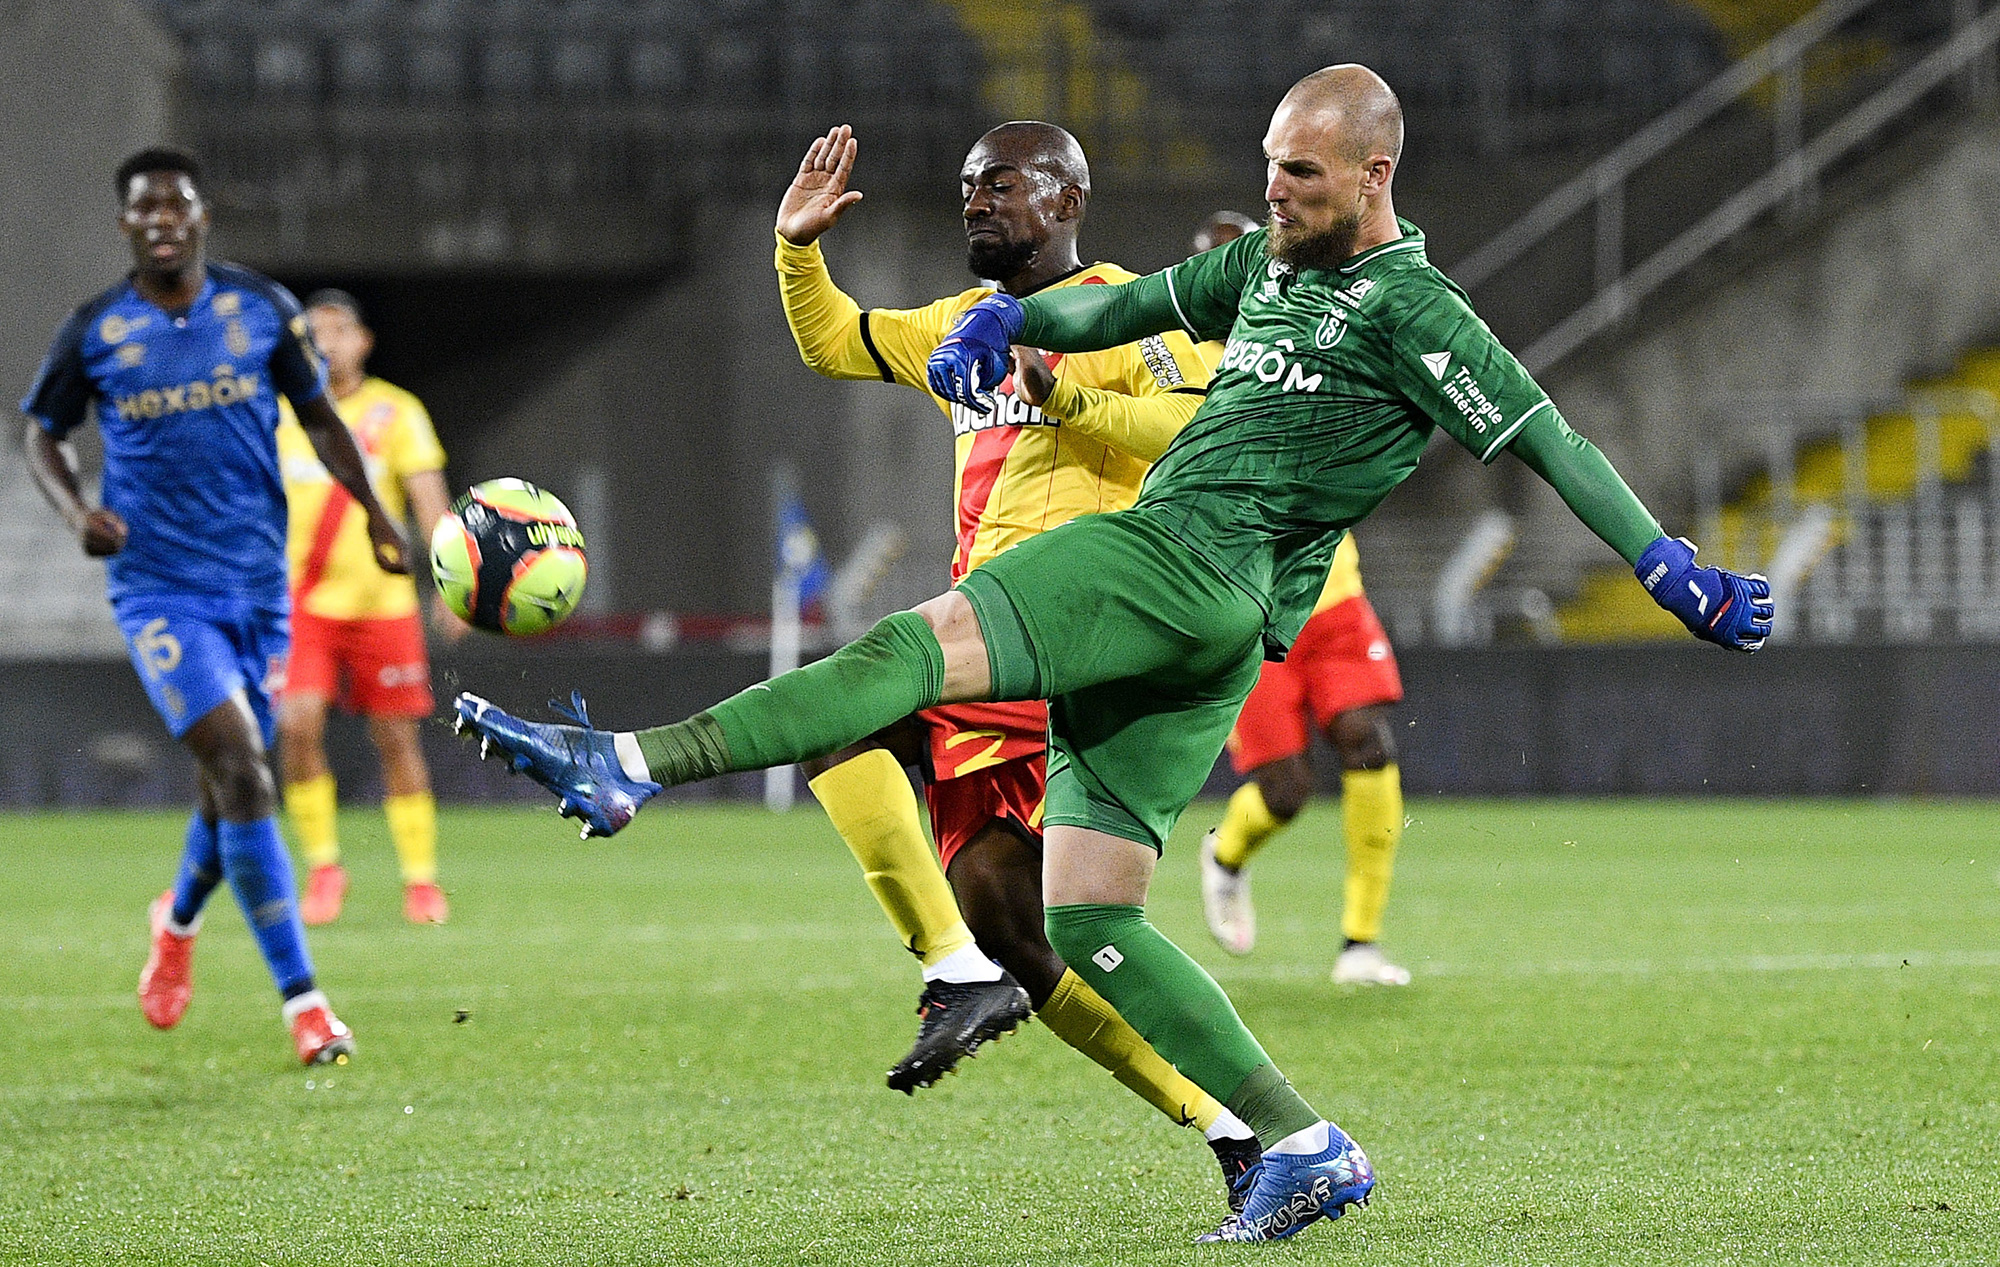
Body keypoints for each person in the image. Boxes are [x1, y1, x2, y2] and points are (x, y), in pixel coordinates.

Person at [455, 65, 1771, 1243]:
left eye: (1301, 172)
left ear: (1377, 173)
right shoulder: (1266, 270)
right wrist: (1003, 327)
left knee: (907, 652)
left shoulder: (1413, 306)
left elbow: (1544, 436)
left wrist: (1665, 563)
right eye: (1266, 163)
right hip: (1212, 637)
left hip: (1175, 557)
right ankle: (1294, 1141)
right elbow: (1126, 299)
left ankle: (627, 758)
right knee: (1086, 913)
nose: (1274, 191)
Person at [773, 122, 1261, 1205]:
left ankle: (951, 972)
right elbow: (836, 341)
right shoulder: (959, 324)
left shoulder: (1128, 311)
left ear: (1067, 195)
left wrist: (1060, 392)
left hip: (1066, 626)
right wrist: (796, 250)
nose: (974, 201)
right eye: (963, 186)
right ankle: (1237, 1133)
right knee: (1023, 930)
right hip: (987, 627)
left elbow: (1193, 436)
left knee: (843, 712)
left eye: (999, 183)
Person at [21, 148, 410, 1066]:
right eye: (144, 211)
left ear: (201, 217)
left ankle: (178, 919)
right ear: (125, 226)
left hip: (259, 587)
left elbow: (320, 418)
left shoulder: (261, 310)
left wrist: (380, 518)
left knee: (230, 781)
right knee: (243, 766)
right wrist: (78, 510)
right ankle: (306, 1003)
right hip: (160, 589)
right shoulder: (97, 332)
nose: (162, 222)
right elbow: (42, 429)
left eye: (177, 207)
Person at [1186, 211, 1410, 986]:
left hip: (1334, 589)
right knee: (1284, 790)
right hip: (1248, 611)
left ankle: (1361, 943)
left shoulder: (1315, 335)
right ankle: (1225, 850)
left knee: (1367, 739)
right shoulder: (1182, 368)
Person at [275, 288, 461, 927]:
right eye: (313, 332)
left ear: (363, 342)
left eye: (338, 330)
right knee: (296, 726)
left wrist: (448, 587)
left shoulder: (397, 412)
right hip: (305, 604)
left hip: (383, 604)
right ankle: (325, 868)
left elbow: (430, 502)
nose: (325, 342)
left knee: (396, 739)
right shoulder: (280, 413)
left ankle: (420, 879)